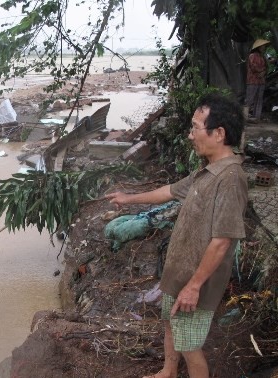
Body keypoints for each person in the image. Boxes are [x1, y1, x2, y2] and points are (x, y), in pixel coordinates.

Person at [106, 93, 247, 378]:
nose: (190, 134)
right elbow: (170, 191)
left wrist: (194, 286)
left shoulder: (230, 179)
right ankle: (168, 372)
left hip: (197, 282)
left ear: (218, 133)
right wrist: (128, 199)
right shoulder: (206, 172)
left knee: (190, 346)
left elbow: (222, 242)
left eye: (196, 127)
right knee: (171, 324)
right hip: (179, 271)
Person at [245, 39, 272, 122]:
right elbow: (253, 67)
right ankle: (244, 117)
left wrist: (263, 73)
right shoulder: (252, 55)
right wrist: (261, 71)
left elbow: (267, 67)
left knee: (259, 100)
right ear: (259, 47)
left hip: (261, 81)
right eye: (262, 46)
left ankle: (257, 118)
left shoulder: (262, 56)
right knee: (249, 99)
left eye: (264, 46)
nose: (264, 47)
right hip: (252, 81)